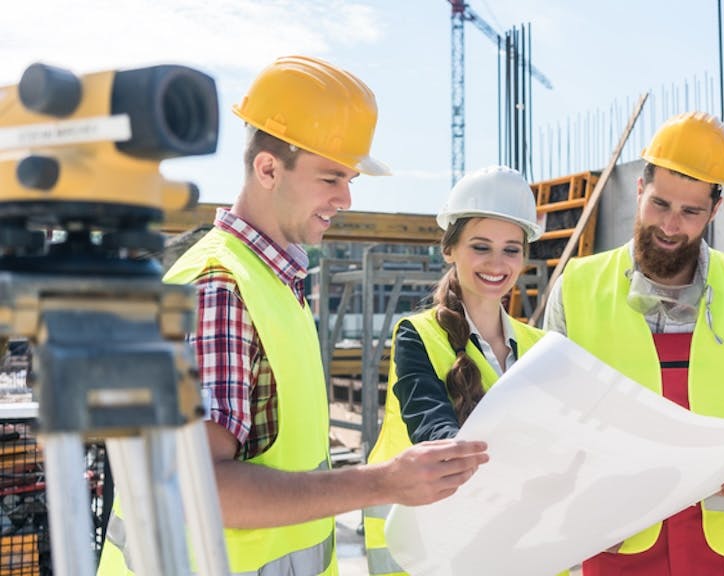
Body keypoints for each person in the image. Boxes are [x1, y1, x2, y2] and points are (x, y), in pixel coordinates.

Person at [98, 55, 488, 576]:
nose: (345, 197)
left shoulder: (274, 283)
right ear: (268, 169)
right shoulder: (219, 288)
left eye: (349, 178)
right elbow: (199, 488)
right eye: (331, 177)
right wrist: (381, 481)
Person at [543, 111, 724, 576]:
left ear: (714, 210)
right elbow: (548, 418)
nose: (670, 225)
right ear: (640, 190)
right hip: (618, 538)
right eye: (660, 204)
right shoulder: (578, 288)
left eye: (690, 212)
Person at [363, 165, 547, 576]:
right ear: (450, 249)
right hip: (429, 555)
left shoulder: (539, 349)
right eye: (480, 247)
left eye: (511, 249)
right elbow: (439, 439)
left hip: (517, 554)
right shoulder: (418, 336)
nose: (497, 263)